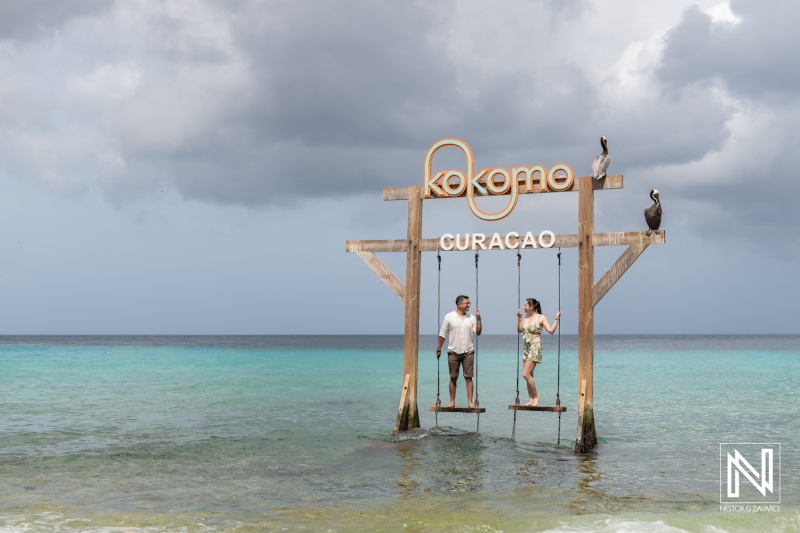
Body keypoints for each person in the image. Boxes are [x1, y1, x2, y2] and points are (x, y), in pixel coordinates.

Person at [436, 295, 482, 408]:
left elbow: (478, 332)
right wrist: (438, 349)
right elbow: (442, 334)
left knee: (468, 377)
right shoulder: (449, 317)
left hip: (468, 351)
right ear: (459, 304)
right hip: (453, 351)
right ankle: (452, 402)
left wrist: (479, 319)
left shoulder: (471, 318)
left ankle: (470, 402)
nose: (469, 305)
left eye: (469, 303)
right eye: (467, 303)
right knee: (453, 377)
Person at [516, 298, 561, 407]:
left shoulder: (541, 317)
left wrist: (556, 319)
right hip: (526, 347)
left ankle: (536, 396)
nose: (523, 307)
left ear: (531, 306)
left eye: (525, 305)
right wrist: (519, 318)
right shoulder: (525, 317)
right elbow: (519, 330)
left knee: (525, 374)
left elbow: (550, 330)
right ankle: (531, 399)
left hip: (535, 346)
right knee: (530, 375)